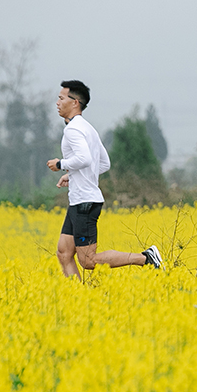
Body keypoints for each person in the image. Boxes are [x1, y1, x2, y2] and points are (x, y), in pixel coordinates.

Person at [47, 80, 162, 279]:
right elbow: (103, 163)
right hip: (81, 200)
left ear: (75, 102)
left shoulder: (73, 129)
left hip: (84, 202)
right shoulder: (88, 128)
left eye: (61, 98)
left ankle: (146, 258)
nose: (57, 102)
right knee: (64, 253)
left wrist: (60, 164)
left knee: (88, 261)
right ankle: (77, 299)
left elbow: (84, 158)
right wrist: (72, 175)